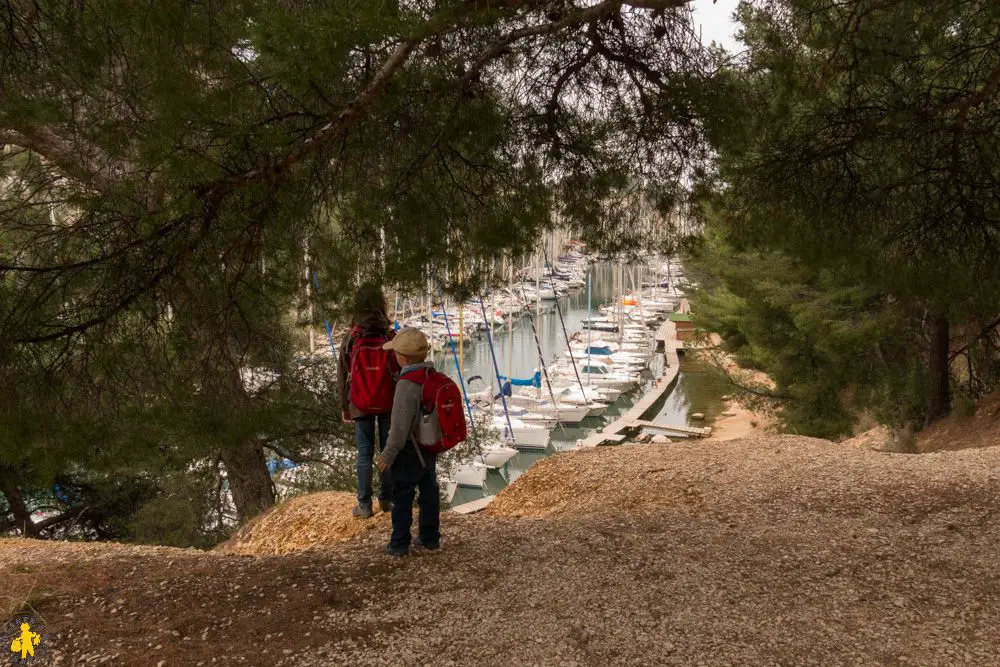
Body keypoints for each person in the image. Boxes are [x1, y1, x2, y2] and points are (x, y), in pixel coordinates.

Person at [377, 328, 440, 556]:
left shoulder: (406, 384)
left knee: (402, 495)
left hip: (408, 450)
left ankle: (399, 544)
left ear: (402, 358)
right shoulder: (431, 375)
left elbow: (399, 428)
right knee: (429, 491)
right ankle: (430, 538)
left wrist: (387, 456)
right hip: (429, 446)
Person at [337, 283, 398, 519]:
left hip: (360, 401)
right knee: (387, 450)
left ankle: (363, 505)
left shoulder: (353, 336)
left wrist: (344, 405)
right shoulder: (388, 335)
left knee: (364, 452)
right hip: (386, 399)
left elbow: (342, 373)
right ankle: (386, 499)